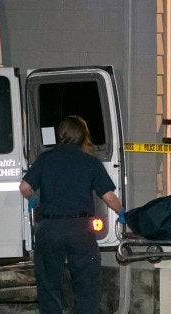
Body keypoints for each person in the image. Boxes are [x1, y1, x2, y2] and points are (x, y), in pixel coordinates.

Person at [19, 115, 125, 314]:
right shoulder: (90, 162)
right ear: (84, 136)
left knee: (49, 287)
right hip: (80, 230)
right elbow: (109, 197)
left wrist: (32, 199)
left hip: (50, 229)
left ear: (61, 135)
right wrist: (122, 213)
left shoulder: (46, 158)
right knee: (87, 287)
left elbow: (24, 186)